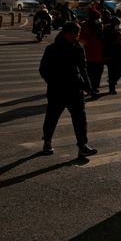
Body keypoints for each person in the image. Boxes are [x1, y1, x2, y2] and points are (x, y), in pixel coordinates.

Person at [39, 22, 97, 157]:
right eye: (73, 33)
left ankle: (82, 145)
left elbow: (83, 69)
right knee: (52, 117)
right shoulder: (52, 49)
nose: (76, 36)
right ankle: (47, 141)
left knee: (80, 119)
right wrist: (53, 82)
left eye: (77, 33)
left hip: (75, 90)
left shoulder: (78, 48)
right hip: (57, 90)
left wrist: (87, 86)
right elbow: (43, 70)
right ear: (64, 33)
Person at [103, 17, 121, 95]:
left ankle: (112, 81)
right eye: (117, 24)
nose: (118, 25)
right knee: (111, 72)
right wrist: (105, 56)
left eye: (119, 24)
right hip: (110, 55)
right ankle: (112, 89)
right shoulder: (107, 31)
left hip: (119, 55)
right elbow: (105, 44)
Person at [79, 9, 105, 97]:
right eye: (97, 18)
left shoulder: (100, 25)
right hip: (90, 55)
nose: (99, 20)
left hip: (100, 54)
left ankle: (95, 87)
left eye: (99, 18)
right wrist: (92, 39)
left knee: (98, 73)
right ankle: (91, 88)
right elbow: (82, 40)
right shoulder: (86, 25)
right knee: (90, 73)